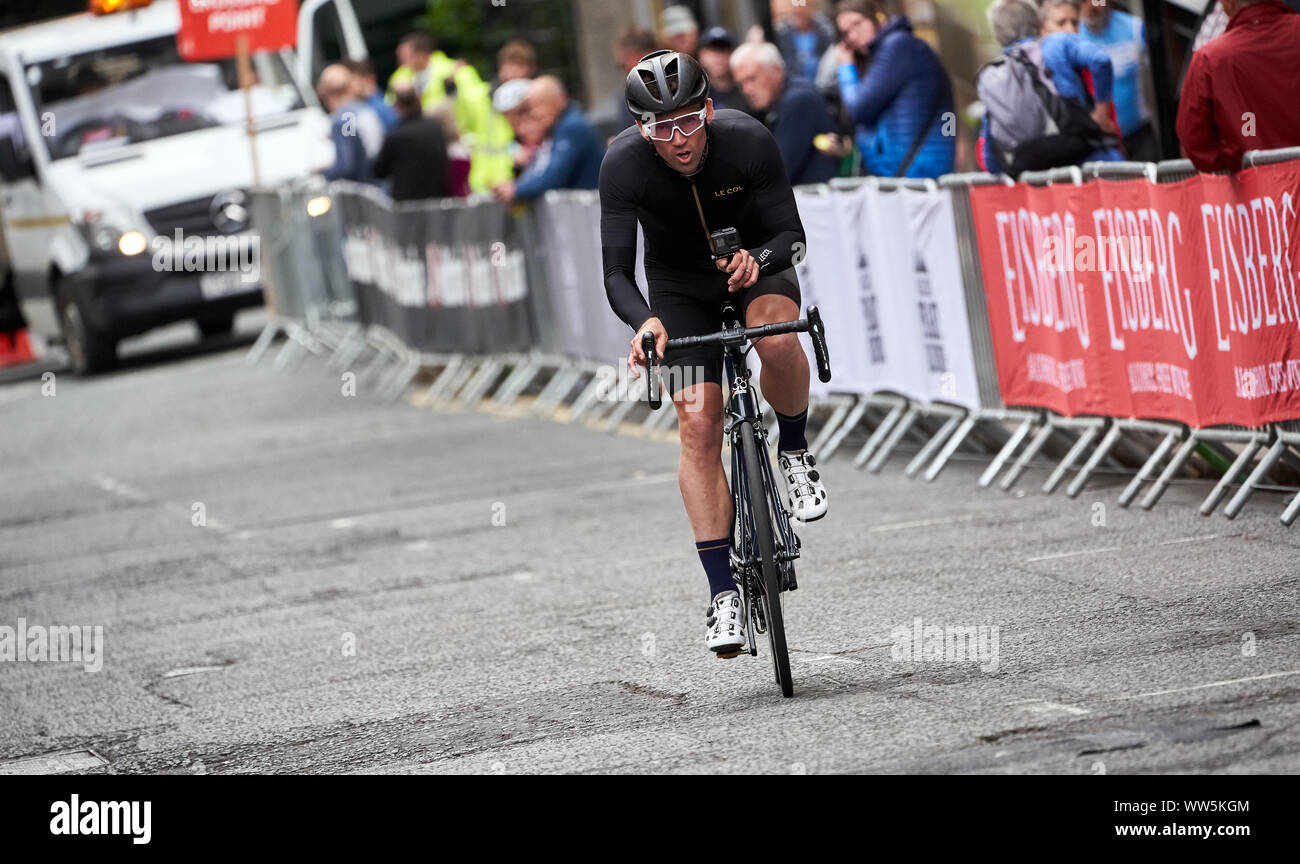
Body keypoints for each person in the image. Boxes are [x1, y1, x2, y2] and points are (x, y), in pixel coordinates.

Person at [599, 50, 829, 656]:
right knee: (698, 421)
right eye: (660, 127)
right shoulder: (623, 164)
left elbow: (793, 238)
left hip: (756, 264)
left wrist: (764, 259)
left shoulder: (747, 140)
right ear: (642, 129)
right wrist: (645, 321)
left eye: (688, 121)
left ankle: (796, 449)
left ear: (709, 108)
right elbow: (617, 272)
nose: (678, 139)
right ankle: (723, 592)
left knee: (777, 336)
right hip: (677, 287)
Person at [978, 0, 1121, 176]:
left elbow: (989, 157)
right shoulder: (1056, 44)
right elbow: (1100, 60)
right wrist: (1102, 113)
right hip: (1091, 164)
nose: (1070, 28)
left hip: (1043, 184)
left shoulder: (994, 75)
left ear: (997, 35)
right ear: (1038, 23)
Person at [832, 0, 955, 178]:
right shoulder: (895, 48)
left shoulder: (897, 46)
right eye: (846, 32)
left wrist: (845, 68)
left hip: (916, 172)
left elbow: (859, 109)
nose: (852, 36)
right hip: (915, 170)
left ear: (878, 17)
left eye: (857, 24)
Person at [1176, 0, 1300, 172]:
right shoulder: (1210, 59)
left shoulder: (1209, 59)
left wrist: (1232, 167)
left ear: (1228, 3)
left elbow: (1194, 140)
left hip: (1255, 191)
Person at [730, 42, 836, 185]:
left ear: (776, 71)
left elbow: (777, 173)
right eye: (741, 84)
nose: (746, 90)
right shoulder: (773, 104)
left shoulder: (798, 100)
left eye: (752, 78)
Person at [492, 76, 603, 204]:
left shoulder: (571, 127)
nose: (535, 112)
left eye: (540, 104)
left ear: (560, 100)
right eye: (531, 107)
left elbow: (554, 176)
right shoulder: (559, 127)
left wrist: (516, 190)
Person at [1079, 0, 1159, 161]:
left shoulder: (1135, 27)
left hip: (1139, 135)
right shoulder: (1071, 34)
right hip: (1097, 139)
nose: (1091, 5)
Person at [373, 86, 449, 201]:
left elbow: (379, 171)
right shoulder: (436, 128)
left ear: (397, 105)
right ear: (419, 99)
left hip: (406, 206)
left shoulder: (396, 135)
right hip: (436, 202)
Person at [316, 64, 380, 183]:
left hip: (363, 188)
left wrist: (319, 173)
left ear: (325, 93)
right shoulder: (364, 109)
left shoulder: (345, 118)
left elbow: (347, 165)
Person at [773, 0, 836, 82]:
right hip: (794, 85)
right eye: (796, 4)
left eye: (803, 4)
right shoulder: (780, 33)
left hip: (823, 84)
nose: (799, 8)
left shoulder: (826, 30)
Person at [697, 27, 748, 113]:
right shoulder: (697, 96)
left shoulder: (747, 90)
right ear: (702, 56)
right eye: (713, 50)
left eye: (723, 49)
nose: (719, 56)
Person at [341, 58, 397, 131]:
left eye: (350, 80)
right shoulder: (360, 107)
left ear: (367, 78)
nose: (347, 87)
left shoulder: (379, 107)